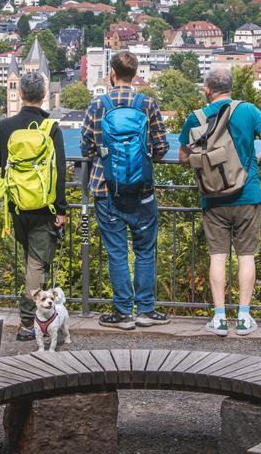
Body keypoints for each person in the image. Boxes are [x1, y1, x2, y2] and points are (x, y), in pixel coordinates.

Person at [178, 69, 261, 336]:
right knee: (246, 257)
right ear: (231, 88)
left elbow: (183, 157)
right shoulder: (248, 110)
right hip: (247, 193)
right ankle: (244, 318)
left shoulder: (196, 117)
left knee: (218, 257)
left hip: (213, 197)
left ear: (207, 90)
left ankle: (220, 318)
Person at [80, 52, 170, 330]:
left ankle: (122, 313)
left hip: (106, 189)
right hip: (142, 190)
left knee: (117, 253)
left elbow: (86, 148)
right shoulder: (147, 104)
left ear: (112, 73)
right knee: (145, 250)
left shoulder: (98, 105)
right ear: (135, 74)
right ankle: (145, 309)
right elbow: (161, 146)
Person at [0, 72, 67, 341]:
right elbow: (59, 171)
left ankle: (35, 319)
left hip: (16, 205)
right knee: (37, 264)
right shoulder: (51, 127)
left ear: (21, 94)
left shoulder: (6, 125)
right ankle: (27, 322)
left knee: (31, 260)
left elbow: (0, 160)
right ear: (44, 95)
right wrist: (61, 209)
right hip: (44, 207)